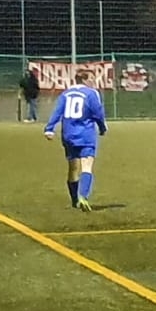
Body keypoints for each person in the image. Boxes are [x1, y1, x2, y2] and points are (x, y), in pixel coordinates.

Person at [44, 69, 108, 212]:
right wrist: (102, 127)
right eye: (91, 78)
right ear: (84, 80)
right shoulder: (91, 93)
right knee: (87, 166)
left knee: (73, 169)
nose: (93, 81)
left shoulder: (66, 93)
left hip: (68, 135)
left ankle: (75, 200)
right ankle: (83, 196)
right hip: (86, 135)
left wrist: (49, 129)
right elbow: (98, 113)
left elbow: (58, 112)